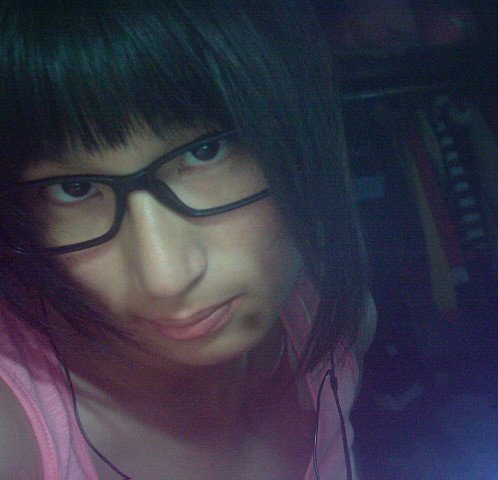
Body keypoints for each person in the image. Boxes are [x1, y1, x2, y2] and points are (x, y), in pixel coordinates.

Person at [0, 0, 377, 478]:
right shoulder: (15, 433)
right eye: (74, 189)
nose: (166, 278)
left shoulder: (327, 326)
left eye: (205, 151)